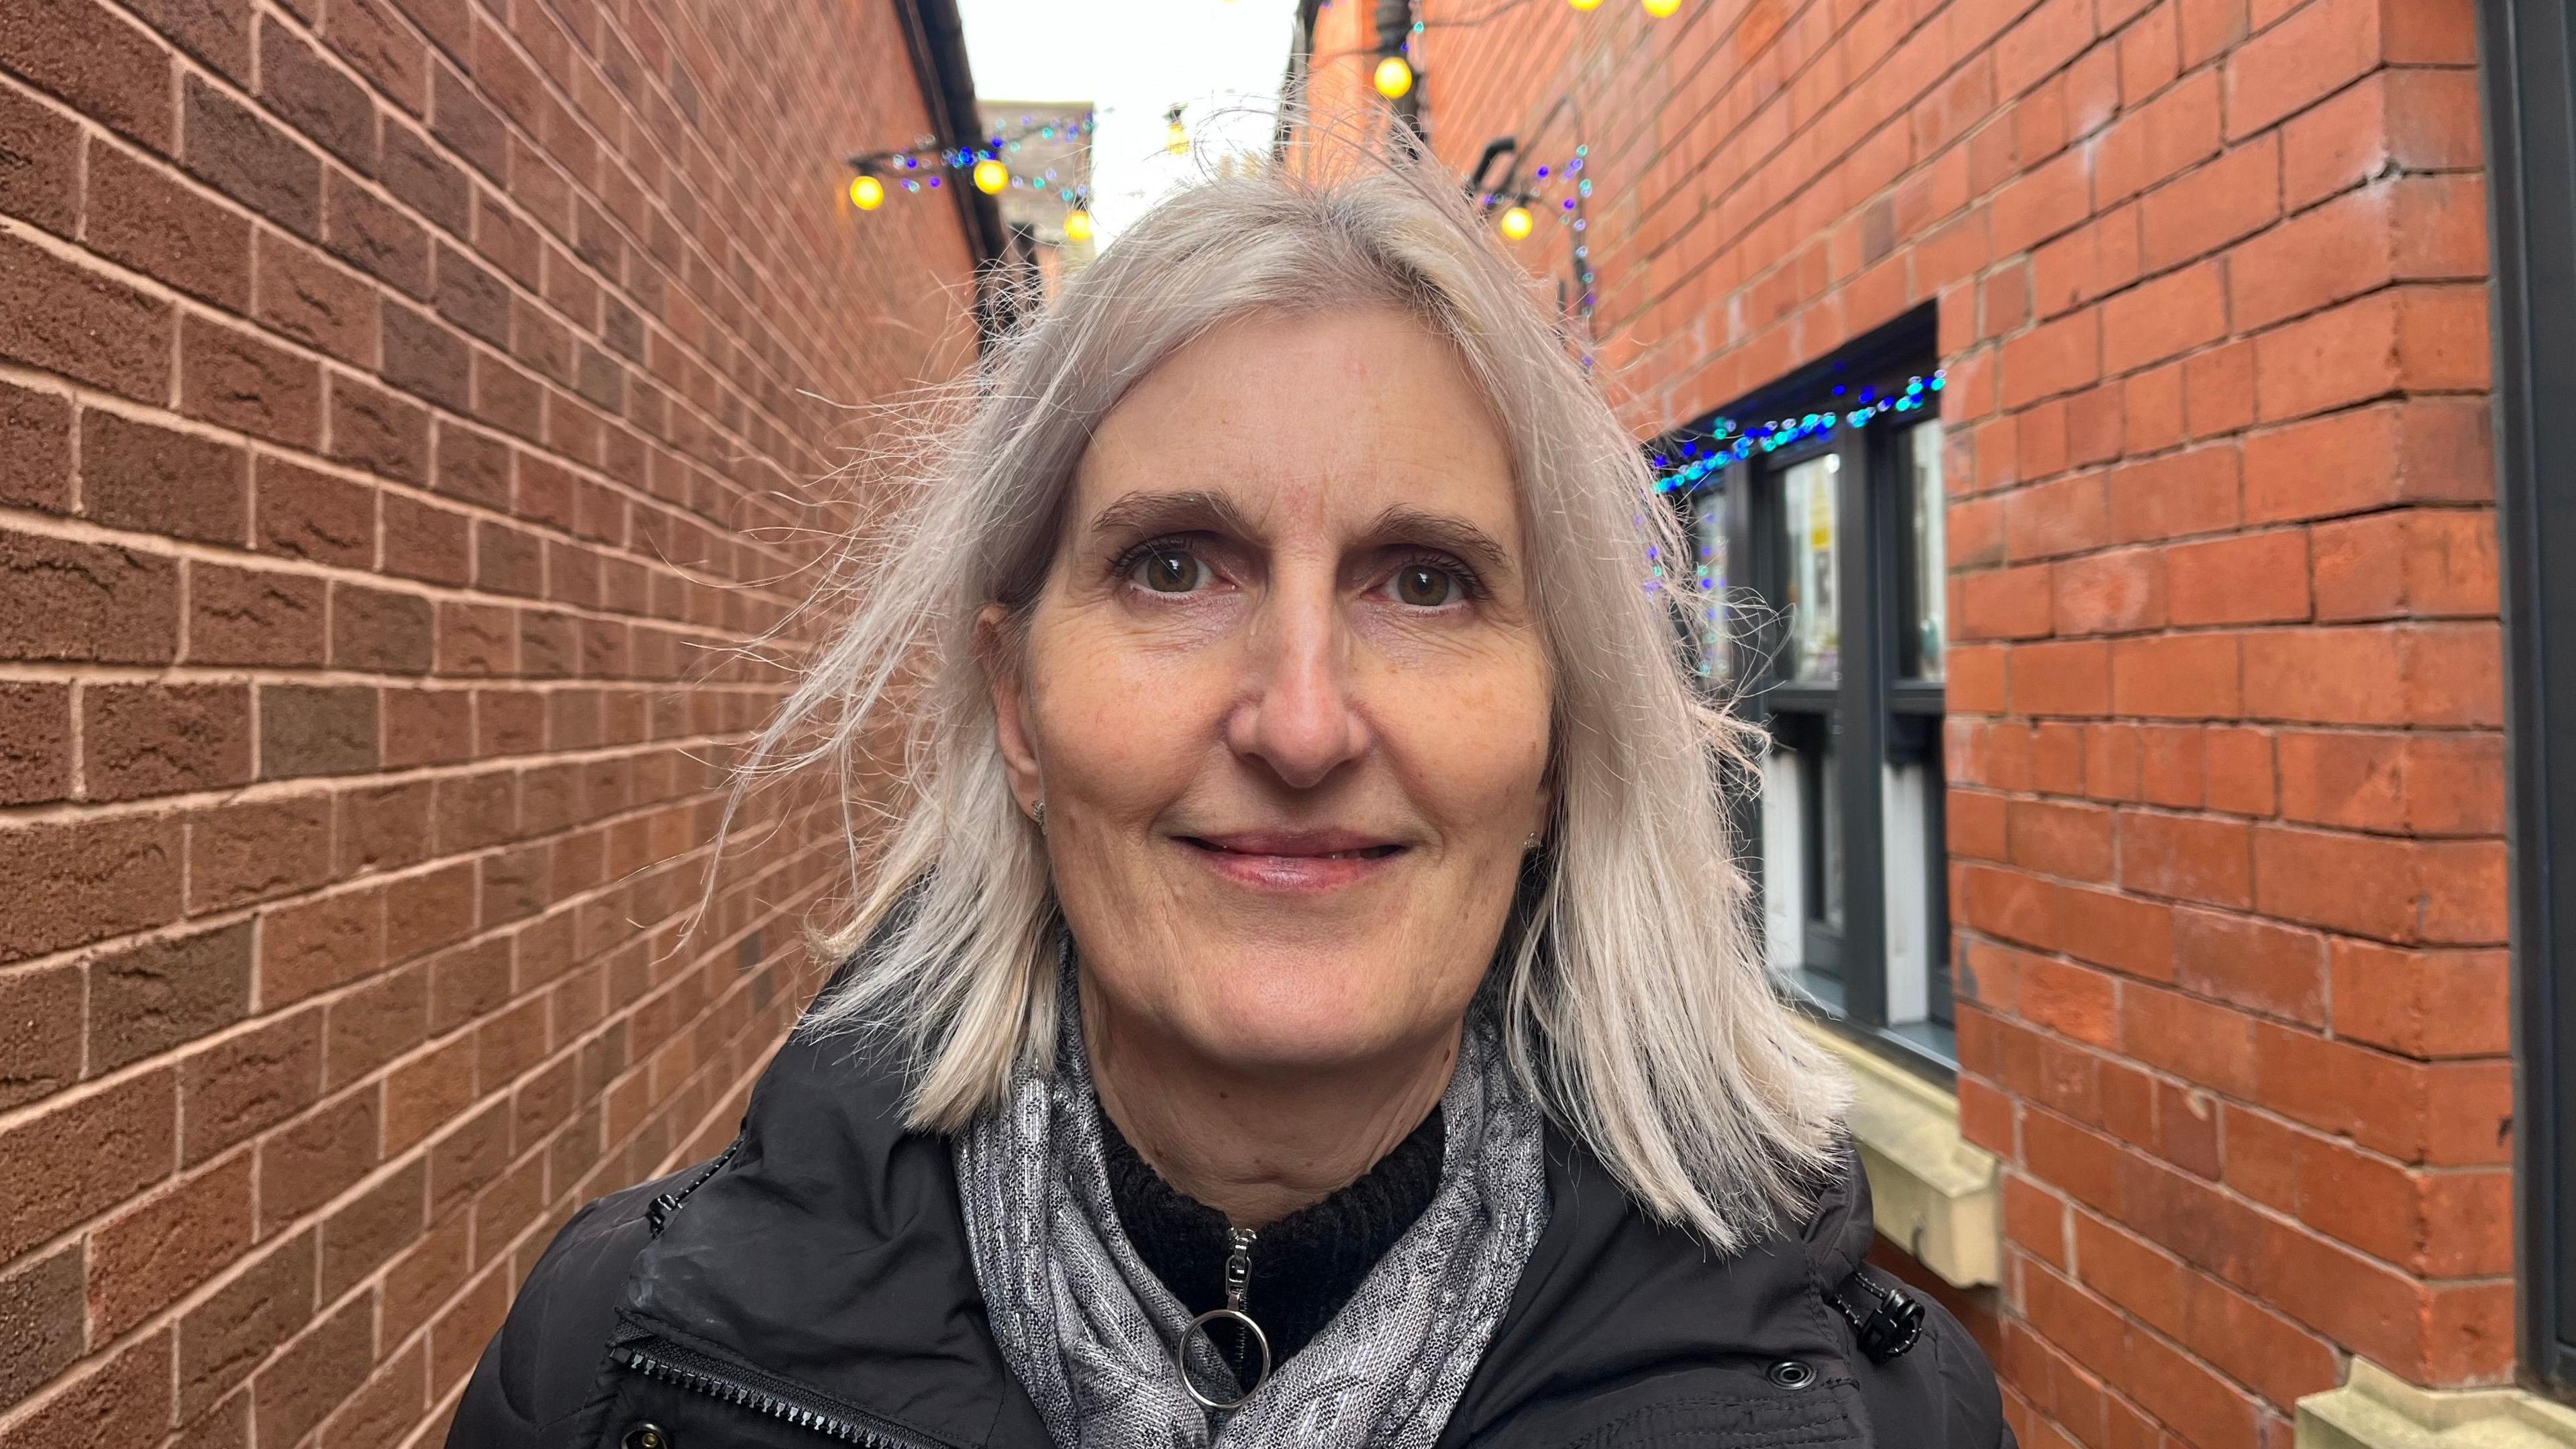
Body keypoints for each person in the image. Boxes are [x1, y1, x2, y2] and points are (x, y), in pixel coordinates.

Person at [450, 160, 2011, 1449]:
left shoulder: (1896, 1419)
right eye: (1175, 566)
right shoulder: (611, 1372)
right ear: (1018, 709)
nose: (1305, 720)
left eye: (1426, 581)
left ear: (1553, 743)